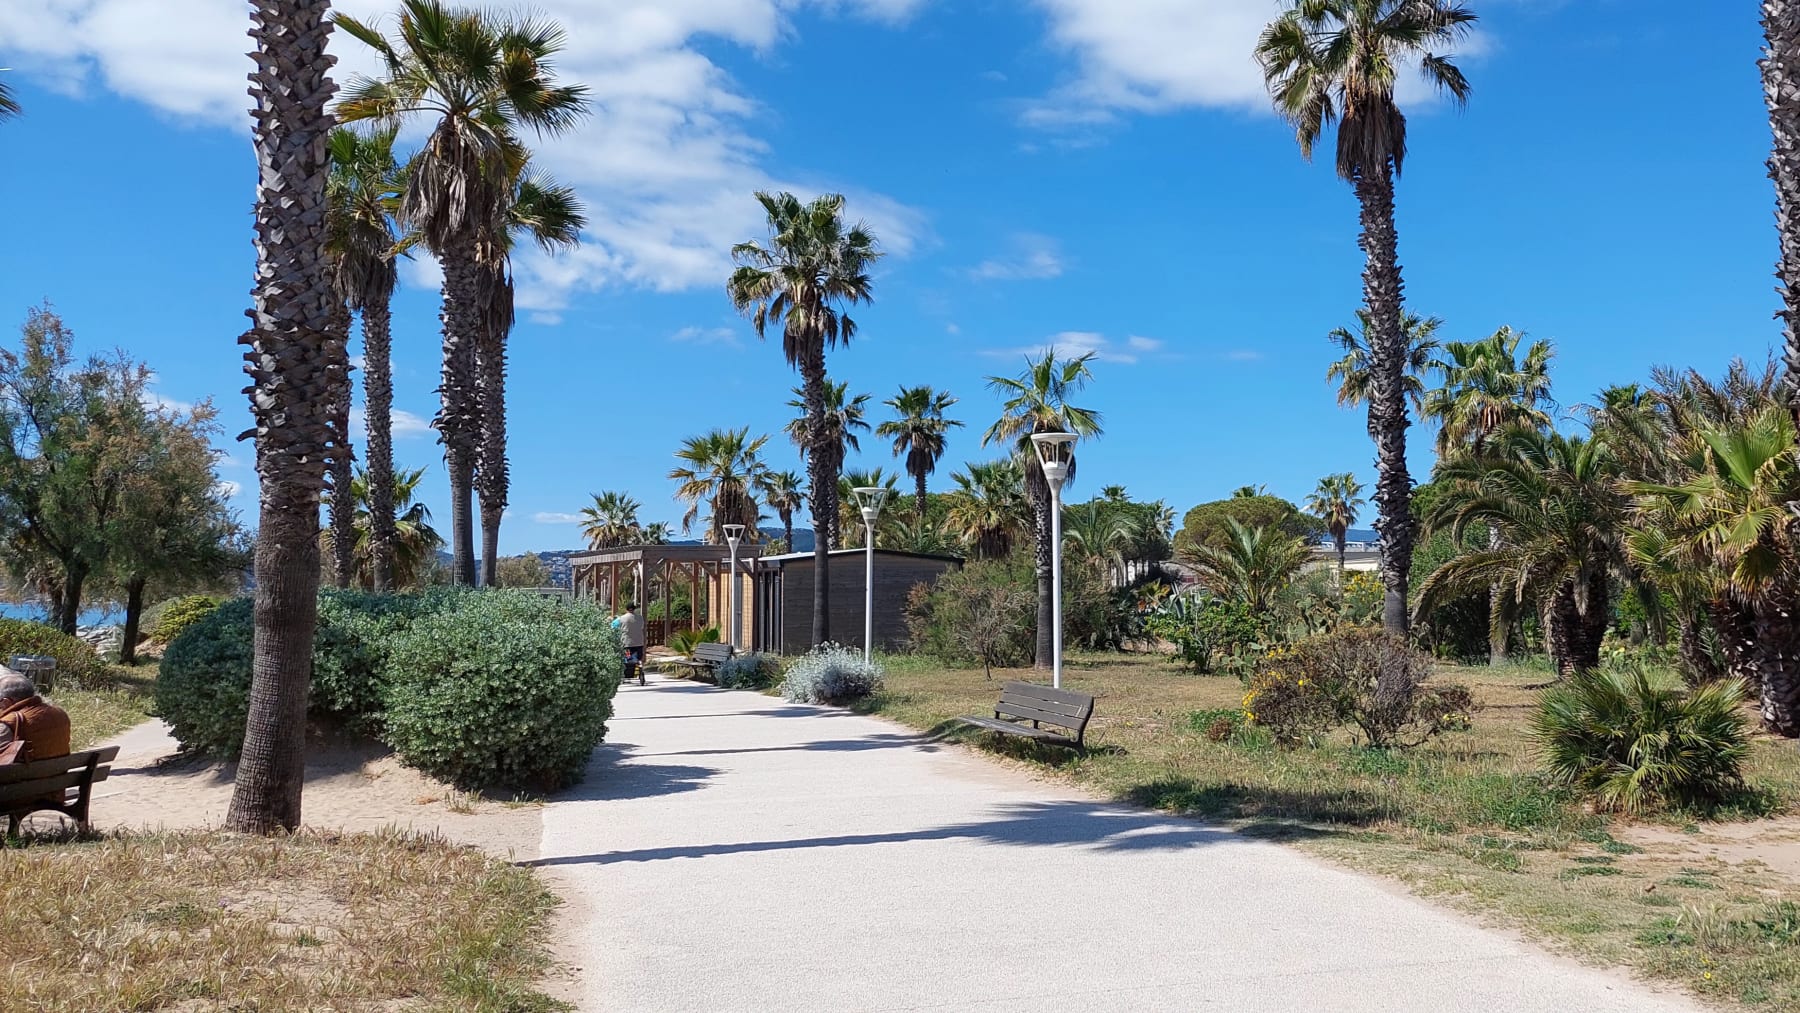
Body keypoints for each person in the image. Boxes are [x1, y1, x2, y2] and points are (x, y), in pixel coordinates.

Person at [0, 672, 71, 763]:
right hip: (60, 774)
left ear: (6, 702)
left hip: (23, 776)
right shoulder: (60, 714)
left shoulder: (9, 723)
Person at [618, 602, 646, 682]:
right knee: (639, 658)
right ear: (634, 609)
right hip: (638, 643)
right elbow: (641, 627)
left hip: (626, 643)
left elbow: (618, 627)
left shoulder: (622, 618)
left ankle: (626, 673)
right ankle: (640, 669)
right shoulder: (640, 618)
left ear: (626, 609)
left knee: (627, 658)